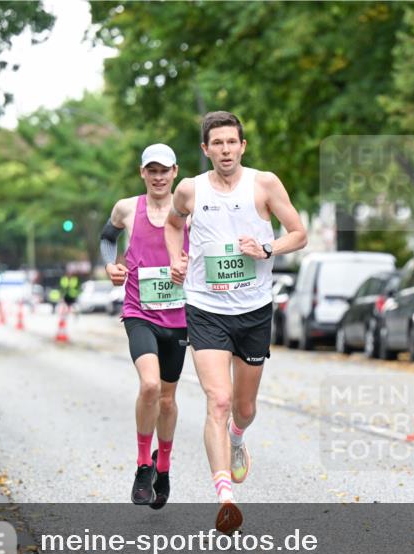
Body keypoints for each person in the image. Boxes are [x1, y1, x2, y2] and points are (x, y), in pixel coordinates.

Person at [165, 111, 307, 532]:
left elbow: (299, 233)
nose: (225, 150)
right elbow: (173, 225)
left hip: (253, 309)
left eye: (232, 142)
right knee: (219, 401)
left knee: (243, 409)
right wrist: (177, 258)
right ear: (205, 149)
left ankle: (238, 438)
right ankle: (225, 495)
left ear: (242, 146)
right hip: (206, 307)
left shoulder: (263, 184)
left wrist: (266, 247)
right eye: (217, 143)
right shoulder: (190, 190)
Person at [101, 143, 190, 509]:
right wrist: (110, 265)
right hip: (139, 312)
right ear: (142, 173)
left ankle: (163, 468)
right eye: (151, 170)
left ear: (175, 173)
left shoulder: (189, 209)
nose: (158, 177)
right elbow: (108, 239)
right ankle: (142, 465)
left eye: (164, 170)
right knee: (150, 385)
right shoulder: (126, 208)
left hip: (180, 316)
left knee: (168, 400)